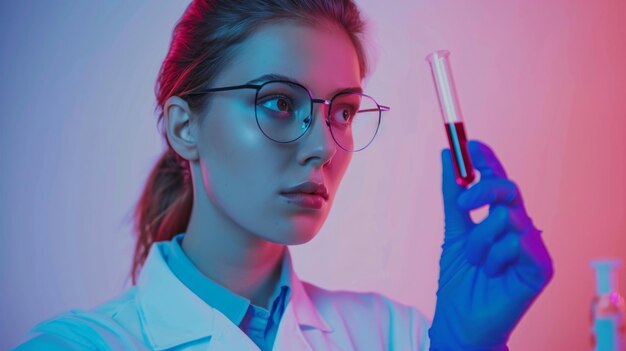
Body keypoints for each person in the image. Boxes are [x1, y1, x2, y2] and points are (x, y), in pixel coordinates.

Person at [12, 0, 554, 350]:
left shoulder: (398, 336)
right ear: (184, 127)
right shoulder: (78, 345)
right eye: (276, 102)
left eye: (342, 111)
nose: (322, 146)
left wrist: (467, 347)